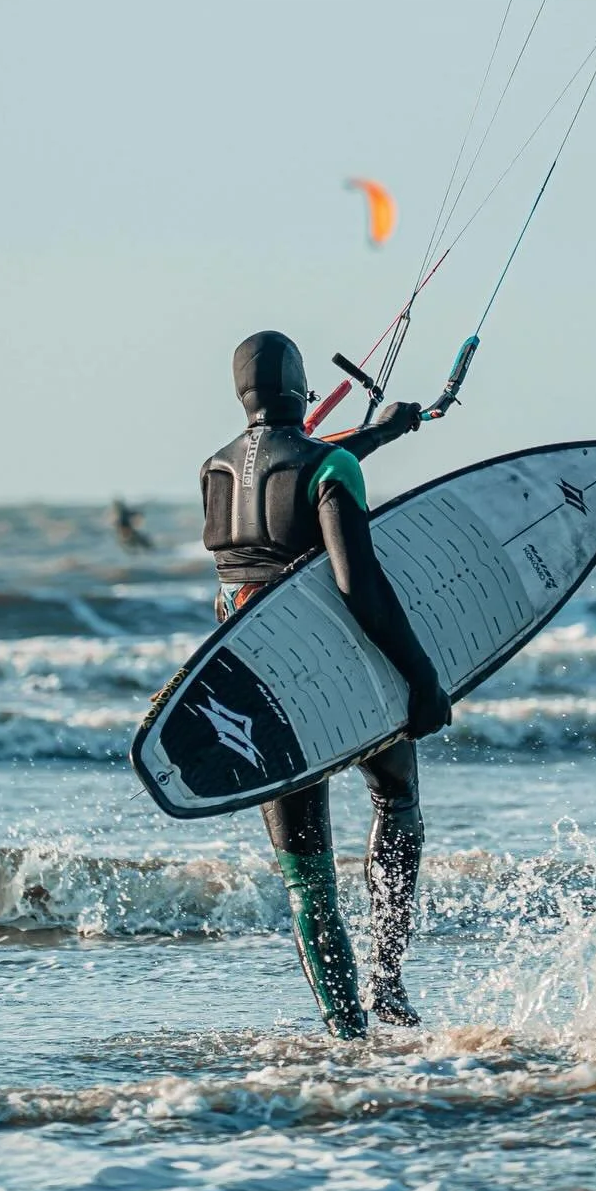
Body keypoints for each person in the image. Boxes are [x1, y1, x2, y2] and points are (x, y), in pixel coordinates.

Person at [200, 330, 451, 1039]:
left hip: (256, 686)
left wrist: (376, 435)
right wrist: (421, 677)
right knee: (396, 794)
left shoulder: (213, 473)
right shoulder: (328, 464)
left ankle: (347, 1038)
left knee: (306, 879)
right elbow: (356, 580)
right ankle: (389, 981)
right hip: (339, 674)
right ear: (302, 388)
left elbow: (286, 477)